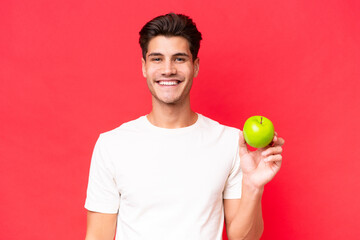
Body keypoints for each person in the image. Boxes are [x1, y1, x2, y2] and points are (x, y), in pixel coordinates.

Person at [84, 13, 285, 240]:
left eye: (179, 59)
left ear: (195, 66)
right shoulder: (112, 145)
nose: (168, 69)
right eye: (157, 59)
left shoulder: (230, 142)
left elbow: (244, 238)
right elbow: (97, 236)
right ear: (144, 67)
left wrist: (253, 186)